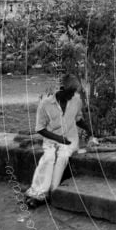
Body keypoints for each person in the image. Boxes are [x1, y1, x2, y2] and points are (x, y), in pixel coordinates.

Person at [24, 74, 95, 208]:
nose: (72, 95)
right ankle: (37, 192)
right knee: (48, 157)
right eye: (70, 92)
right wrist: (58, 138)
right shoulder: (45, 104)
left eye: (74, 92)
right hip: (51, 139)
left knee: (62, 157)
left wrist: (89, 129)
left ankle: (51, 192)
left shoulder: (76, 100)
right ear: (61, 89)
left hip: (70, 140)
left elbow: (78, 119)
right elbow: (40, 128)